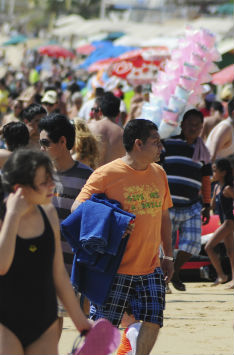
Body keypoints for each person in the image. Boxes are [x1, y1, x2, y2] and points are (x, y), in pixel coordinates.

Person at [72, 119, 174, 355]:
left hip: (150, 267)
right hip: (114, 269)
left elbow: (164, 217)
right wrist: (111, 220)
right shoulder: (106, 173)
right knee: (104, 328)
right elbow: (78, 207)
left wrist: (168, 257)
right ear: (138, 144)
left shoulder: (159, 173)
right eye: (156, 142)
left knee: (153, 320)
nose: (161, 148)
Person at [0, 149, 91, 354]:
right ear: (20, 188)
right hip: (2, 321)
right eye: (44, 182)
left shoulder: (48, 213)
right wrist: (13, 215)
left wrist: (80, 322)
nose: (52, 186)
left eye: (51, 178)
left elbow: (58, 274)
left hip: (44, 322)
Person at [38, 113, 94, 331]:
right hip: (40, 259)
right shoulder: (37, 174)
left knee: (62, 319)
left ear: (63, 142)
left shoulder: (88, 177)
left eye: (45, 143)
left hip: (71, 264)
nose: (41, 148)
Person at [160, 109, 212, 292]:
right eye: (190, 123)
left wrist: (207, 205)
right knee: (164, 247)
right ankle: (163, 281)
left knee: (192, 244)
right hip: (167, 205)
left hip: (191, 206)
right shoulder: (167, 144)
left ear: (201, 128)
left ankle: (175, 271)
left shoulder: (203, 151)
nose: (193, 127)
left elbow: (206, 180)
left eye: (197, 125)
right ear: (181, 125)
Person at [206, 158, 234, 288]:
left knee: (209, 247)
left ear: (223, 172)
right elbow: (212, 206)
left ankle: (222, 275)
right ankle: (231, 279)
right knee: (230, 251)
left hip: (229, 222)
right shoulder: (217, 187)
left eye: (215, 171)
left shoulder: (228, 188)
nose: (213, 173)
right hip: (223, 221)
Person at [88, 92, 126, 167]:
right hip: (114, 176)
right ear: (118, 114)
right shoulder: (123, 134)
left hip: (92, 175)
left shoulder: (89, 128)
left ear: (100, 112)